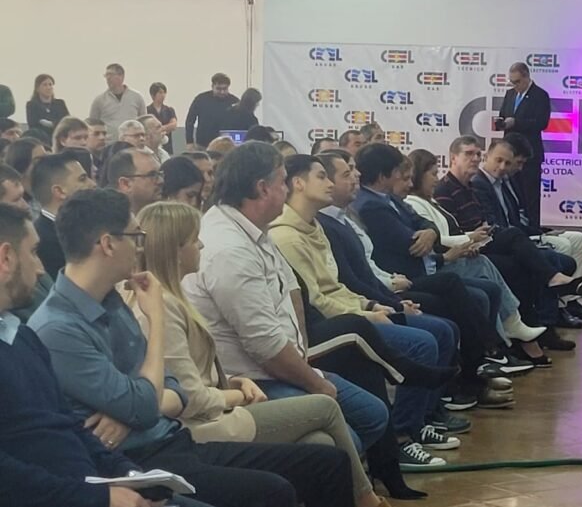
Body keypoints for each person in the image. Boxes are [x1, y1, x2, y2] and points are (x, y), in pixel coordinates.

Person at [29, 188, 359, 507]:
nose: (141, 247)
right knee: (275, 490)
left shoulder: (110, 300)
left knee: (326, 460)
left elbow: (171, 388)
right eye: (135, 237)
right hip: (137, 460)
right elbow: (147, 405)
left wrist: (141, 405)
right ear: (108, 244)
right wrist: (157, 321)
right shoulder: (58, 328)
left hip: (171, 439)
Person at [135, 201, 393, 507]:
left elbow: (195, 376)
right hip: (202, 425)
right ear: (176, 250)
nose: (201, 245)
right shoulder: (163, 306)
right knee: (325, 407)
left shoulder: (174, 296)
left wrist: (234, 382)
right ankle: (366, 498)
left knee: (322, 443)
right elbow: (190, 398)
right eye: (194, 240)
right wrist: (237, 395)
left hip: (217, 406)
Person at [180, 142, 389, 457]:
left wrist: (303, 359)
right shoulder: (228, 248)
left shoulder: (254, 228)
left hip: (283, 365)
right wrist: (316, 385)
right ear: (262, 188)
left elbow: (292, 291)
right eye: (282, 181)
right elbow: (263, 345)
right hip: (253, 380)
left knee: (373, 414)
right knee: (337, 443)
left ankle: (342, 475)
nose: (288, 188)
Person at [0, 203, 214, 507]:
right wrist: (101, 497)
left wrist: (131, 476)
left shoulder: (21, 337)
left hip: (96, 480)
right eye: (33, 252)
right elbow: (9, 477)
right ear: (6, 258)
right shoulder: (50, 328)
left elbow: (70, 428)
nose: (40, 268)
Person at [269, 155, 460, 468]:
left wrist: (370, 305)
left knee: (438, 327)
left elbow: (337, 286)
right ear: (298, 184)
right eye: (323, 176)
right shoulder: (286, 235)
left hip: (348, 310)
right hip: (322, 325)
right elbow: (316, 301)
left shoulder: (315, 227)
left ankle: (416, 422)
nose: (332, 183)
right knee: (423, 341)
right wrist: (367, 313)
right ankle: (402, 435)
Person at [317, 150, 518, 412]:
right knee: (446, 315)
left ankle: (473, 369)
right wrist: (390, 302)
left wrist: (430, 232)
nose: (357, 176)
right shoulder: (363, 209)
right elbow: (404, 246)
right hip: (386, 289)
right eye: (347, 173)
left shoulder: (365, 209)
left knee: (479, 290)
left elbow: (420, 224)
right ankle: (471, 370)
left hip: (390, 283)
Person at [434, 136, 582, 341]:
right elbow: (451, 231)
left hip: (484, 242)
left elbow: (489, 221)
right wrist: (473, 237)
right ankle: (542, 316)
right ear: (453, 158)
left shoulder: (471, 187)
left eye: (477, 154)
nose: (475, 158)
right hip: (469, 248)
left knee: (541, 258)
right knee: (521, 253)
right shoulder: (446, 189)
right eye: (469, 154)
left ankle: (540, 324)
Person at [483, 135, 582, 321]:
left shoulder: (506, 181)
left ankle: (570, 301)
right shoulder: (483, 184)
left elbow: (516, 219)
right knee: (562, 246)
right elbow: (502, 225)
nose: (506, 167)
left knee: (578, 239)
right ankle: (557, 308)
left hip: (518, 234)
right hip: (510, 239)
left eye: (508, 162)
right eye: (501, 161)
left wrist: (540, 231)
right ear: (487, 157)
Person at [497, 62, 550, 228]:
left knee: (530, 196)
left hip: (530, 155)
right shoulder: (510, 94)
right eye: (512, 82)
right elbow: (503, 114)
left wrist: (516, 122)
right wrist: (501, 122)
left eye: (517, 81)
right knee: (512, 194)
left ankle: (533, 229)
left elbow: (542, 123)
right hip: (510, 153)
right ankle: (515, 226)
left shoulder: (540, 95)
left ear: (527, 77)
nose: (515, 85)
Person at [31, 152, 96, 279]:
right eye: (82, 179)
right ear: (59, 191)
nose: (93, 184)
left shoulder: (85, 226)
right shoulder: (42, 242)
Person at [88, 64, 147, 137]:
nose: (108, 78)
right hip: (109, 142)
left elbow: (144, 122)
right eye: (106, 75)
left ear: (121, 76)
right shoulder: (99, 100)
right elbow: (92, 124)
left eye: (110, 75)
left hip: (132, 141)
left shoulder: (137, 97)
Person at [185, 73, 238, 149]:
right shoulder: (201, 99)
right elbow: (190, 121)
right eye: (218, 89)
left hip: (226, 146)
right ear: (212, 86)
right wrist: (189, 142)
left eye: (225, 89)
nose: (222, 92)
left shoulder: (234, 102)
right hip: (202, 145)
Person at [105, 149, 163, 214]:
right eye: (152, 175)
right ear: (125, 184)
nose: (161, 181)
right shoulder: (106, 219)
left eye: (160, 174)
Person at [5, 137, 46, 216]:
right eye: (38, 161)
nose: (45, 163)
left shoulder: (48, 191)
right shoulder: (17, 202)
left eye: (46, 158)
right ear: (22, 165)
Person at [25, 74, 69, 141]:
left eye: (50, 84)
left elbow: (67, 122)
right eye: (44, 85)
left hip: (59, 138)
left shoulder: (60, 103)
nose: (48, 87)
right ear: (37, 88)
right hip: (40, 139)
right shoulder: (31, 105)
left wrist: (52, 124)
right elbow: (33, 124)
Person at [146, 82, 177, 152]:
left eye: (164, 93)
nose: (163, 95)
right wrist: (166, 128)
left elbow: (174, 125)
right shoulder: (146, 110)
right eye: (160, 93)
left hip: (166, 144)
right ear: (153, 95)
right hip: (151, 145)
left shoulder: (169, 110)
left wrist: (159, 129)